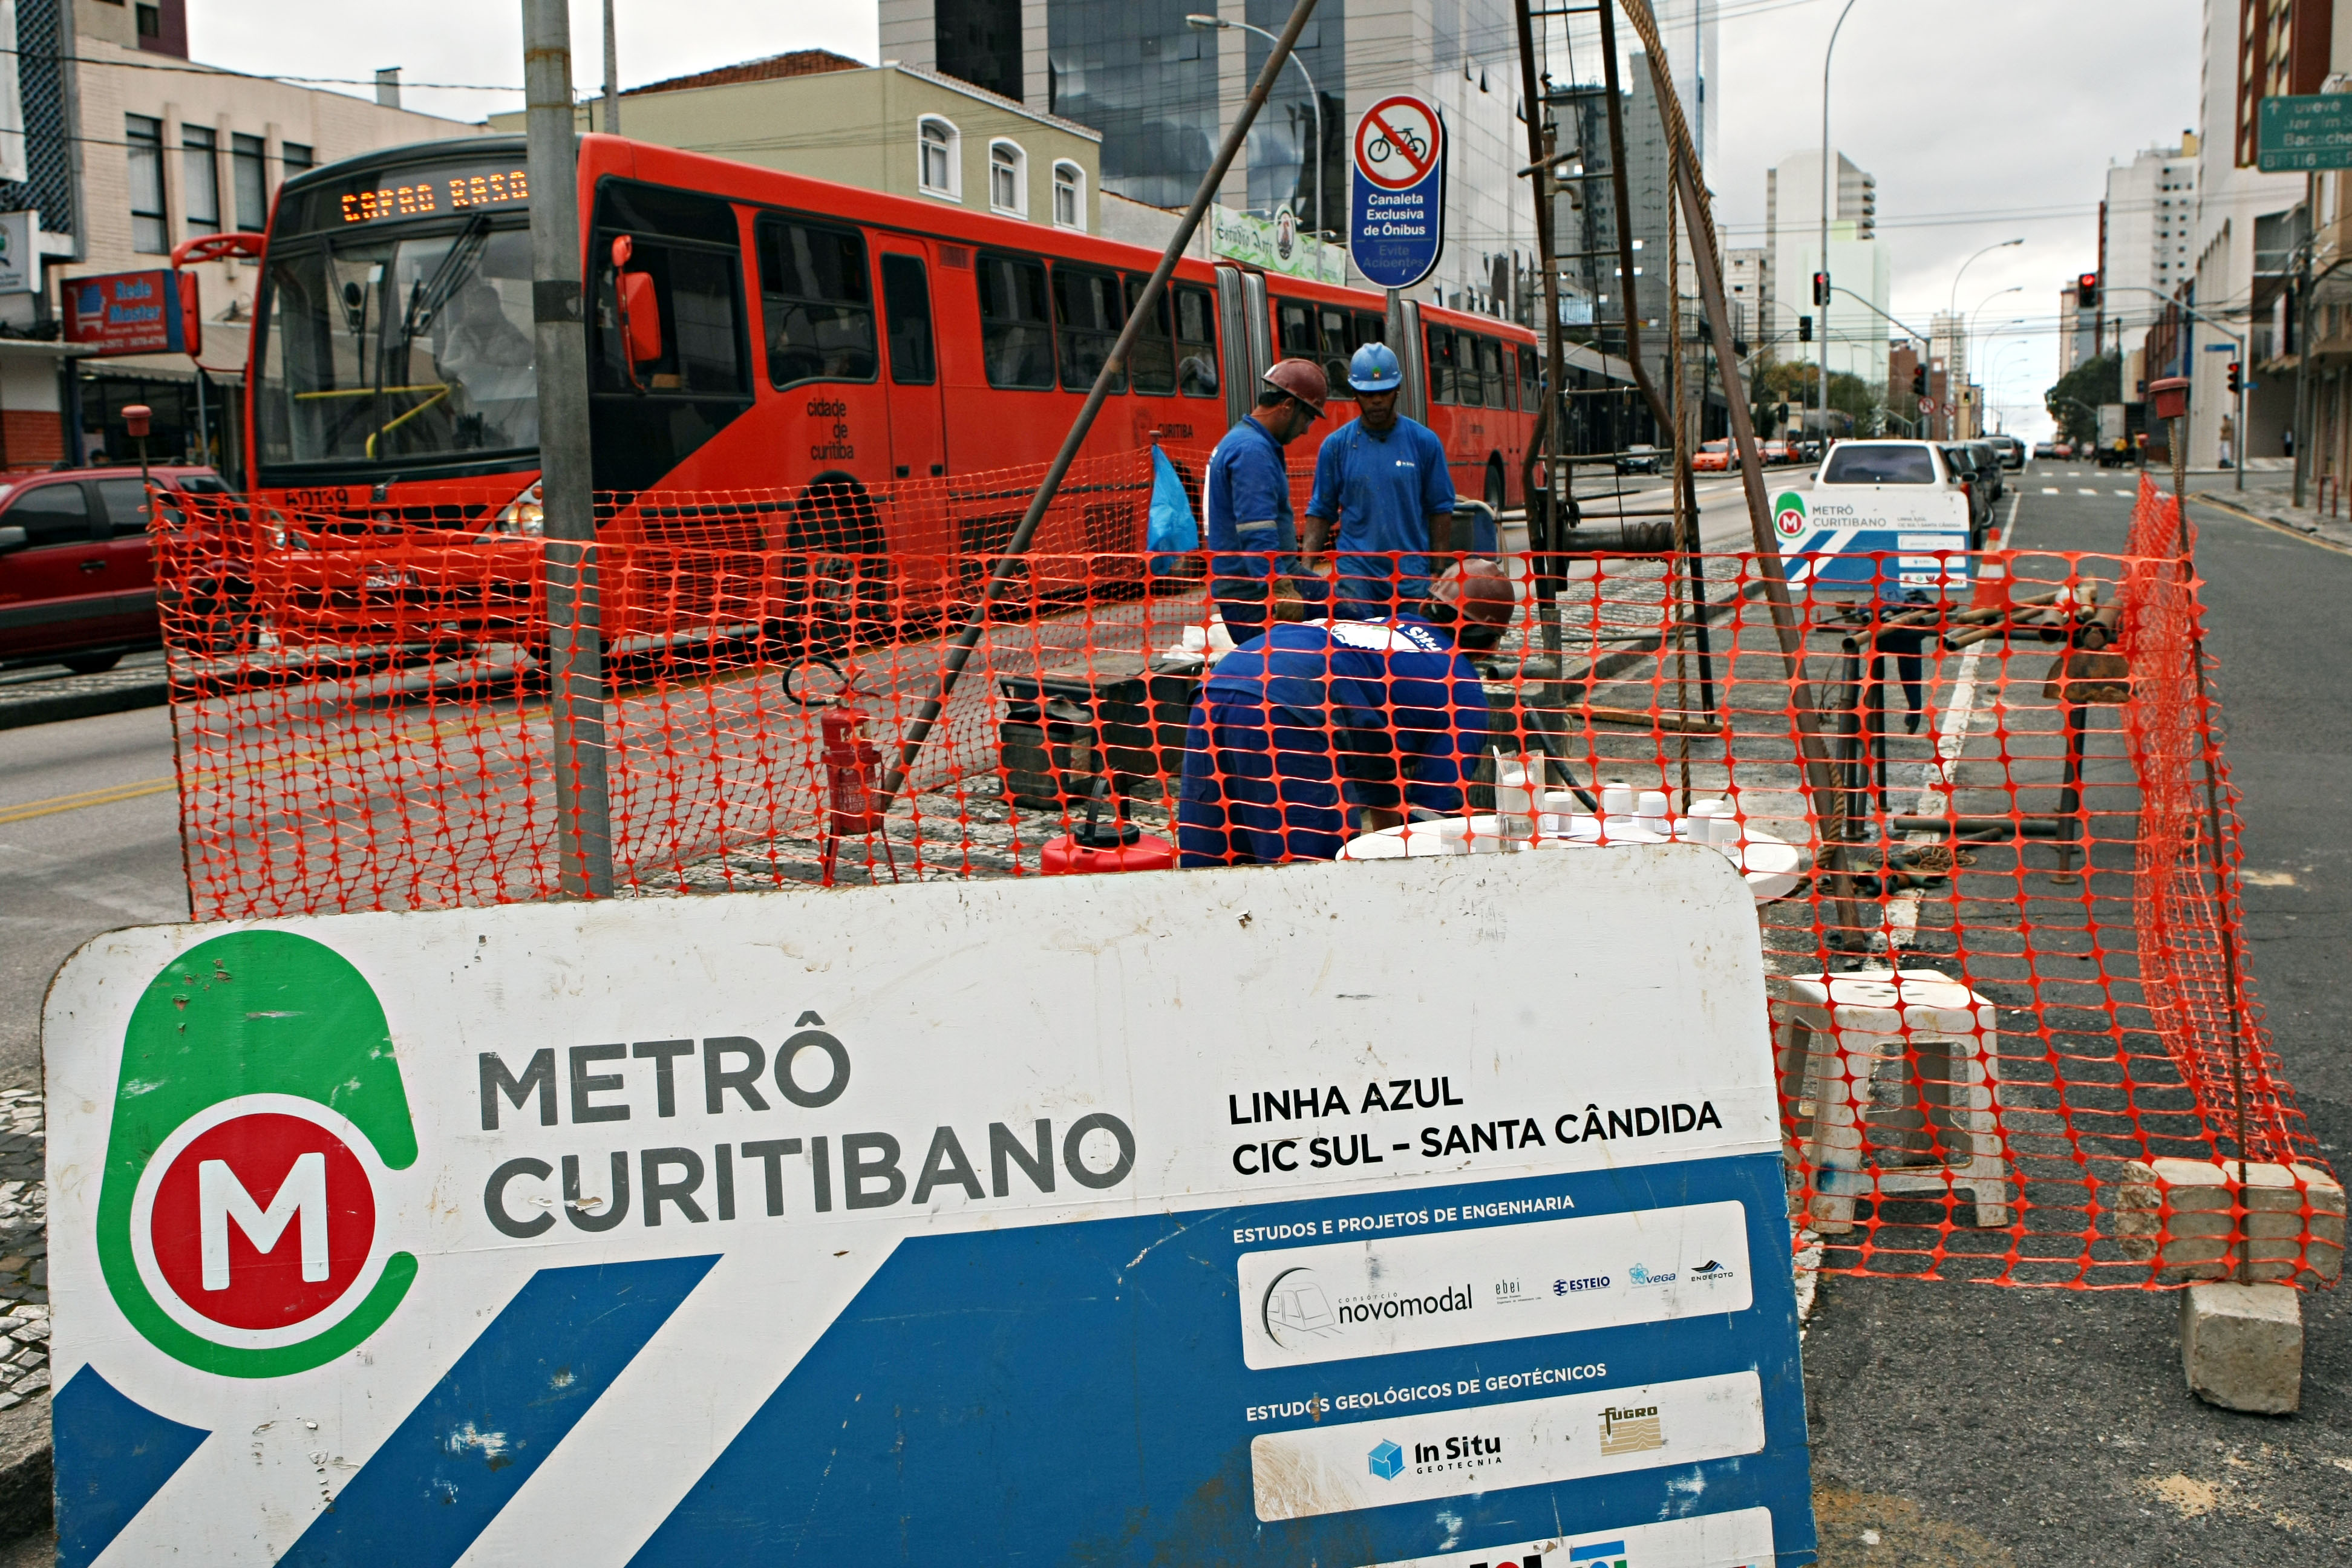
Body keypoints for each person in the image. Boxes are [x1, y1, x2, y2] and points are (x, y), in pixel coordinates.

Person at [1175, 560, 1517, 866]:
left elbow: (1385, 790)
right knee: (1311, 885)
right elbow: (1431, 822)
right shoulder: (1463, 689)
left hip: (1219, 685)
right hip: (1291, 707)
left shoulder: (1383, 631)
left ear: (1429, 604)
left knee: (1211, 869)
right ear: (1490, 643)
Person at [1304, 342, 1461, 621]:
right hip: (1356, 578)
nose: (1376, 401)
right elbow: (1321, 511)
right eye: (1368, 394)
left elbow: (1440, 509)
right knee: (1358, 652)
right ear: (1355, 394)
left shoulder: (1424, 443)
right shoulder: (1337, 447)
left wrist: (1438, 570)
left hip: (1411, 577)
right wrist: (1305, 572)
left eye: (1384, 393)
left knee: (1411, 654)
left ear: (1397, 391)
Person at [1202, 359, 1334, 638]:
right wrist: (1280, 588)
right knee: (1354, 617)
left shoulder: (1244, 440)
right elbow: (1255, 529)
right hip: (1255, 594)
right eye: (1307, 417)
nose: (1306, 429)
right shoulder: (1252, 451)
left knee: (1351, 608)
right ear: (1287, 407)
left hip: (1258, 584)